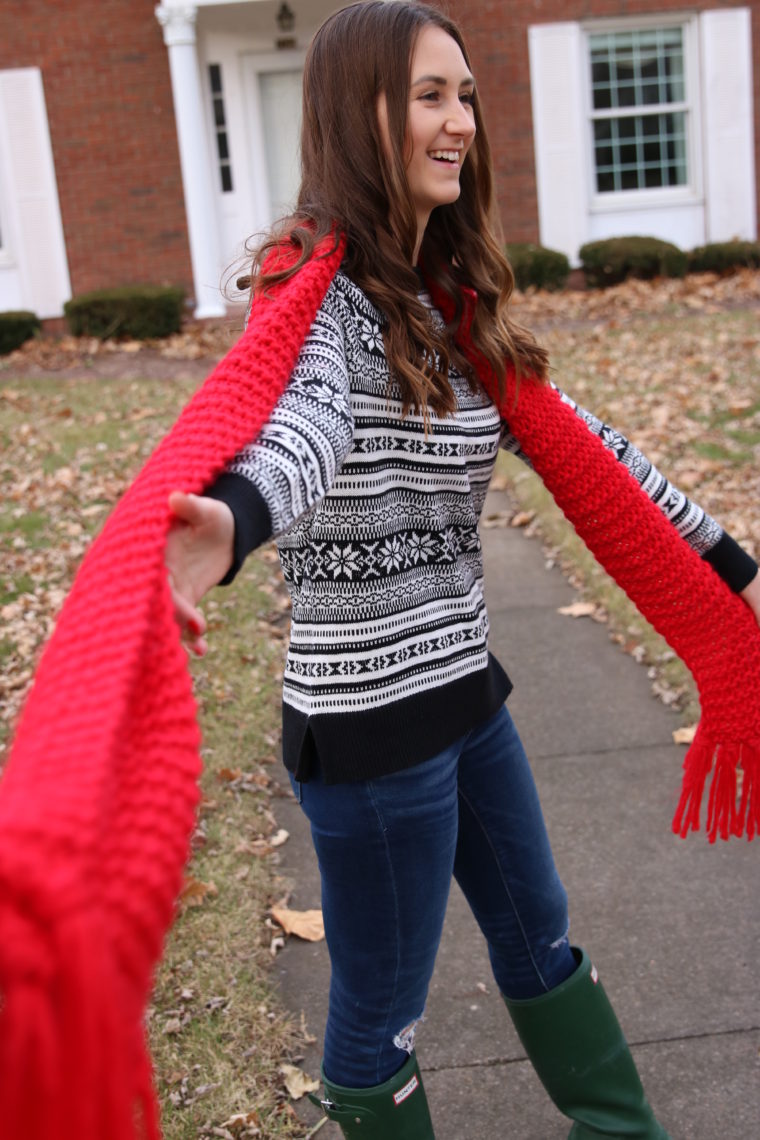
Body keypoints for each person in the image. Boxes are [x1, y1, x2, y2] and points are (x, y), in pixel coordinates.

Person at [165, 3, 760, 1137]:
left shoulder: (448, 306)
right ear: (359, 113)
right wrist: (234, 519)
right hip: (373, 732)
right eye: (428, 97)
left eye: (466, 98)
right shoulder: (317, 297)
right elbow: (301, 427)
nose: (458, 125)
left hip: (464, 694)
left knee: (540, 933)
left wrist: (720, 555)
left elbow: (590, 446)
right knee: (382, 1011)